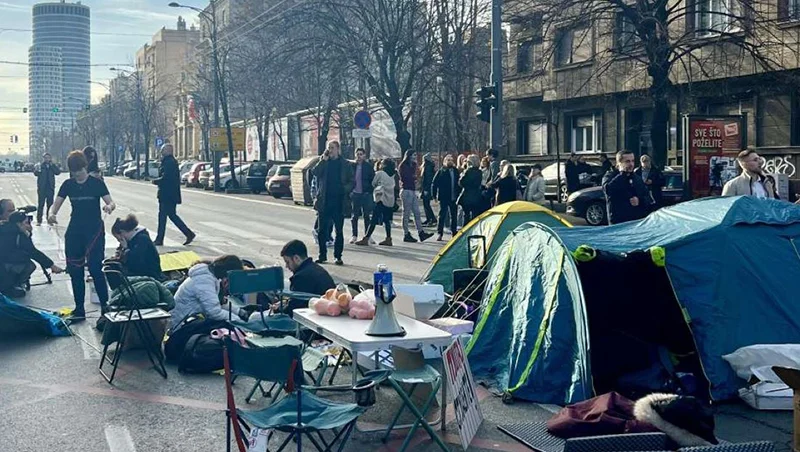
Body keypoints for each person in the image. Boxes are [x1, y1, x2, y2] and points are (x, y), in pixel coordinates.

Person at [48, 151, 116, 321]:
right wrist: (51, 214)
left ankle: (105, 307)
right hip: (75, 231)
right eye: (73, 171)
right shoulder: (68, 185)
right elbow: (55, 205)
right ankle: (79, 309)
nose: (77, 173)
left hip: (94, 230)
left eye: (79, 170)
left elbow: (111, 202)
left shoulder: (96, 183)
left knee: (95, 268)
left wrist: (109, 207)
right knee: (75, 270)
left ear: (85, 166)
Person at [170, 255, 244, 330]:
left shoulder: (211, 277)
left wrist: (240, 312)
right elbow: (214, 313)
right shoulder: (204, 281)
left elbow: (219, 303)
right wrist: (239, 321)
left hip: (190, 319)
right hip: (181, 325)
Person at [0, 211, 63, 298]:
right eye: (26, 223)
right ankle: (13, 286)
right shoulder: (18, 235)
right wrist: (52, 266)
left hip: (4, 263)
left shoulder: (4, 228)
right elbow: (33, 252)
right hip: (5, 265)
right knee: (30, 265)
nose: (28, 225)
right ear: (18, 224)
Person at [312, 140, 353, 265]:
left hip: (339, 202)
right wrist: (322, 160)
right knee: (322, 230)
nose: (330, 150)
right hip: (324, 201)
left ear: (338, 149)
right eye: (329, 148)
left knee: (339, 231)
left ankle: (338, 256)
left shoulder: (345, 164)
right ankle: (322, 255)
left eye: (332, 148)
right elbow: (315, 173)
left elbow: (352, 181)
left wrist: (344, 189)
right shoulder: (324, 163)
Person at [153, 144, 195, 246]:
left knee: (163, 216)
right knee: (171, 215)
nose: (161, 152)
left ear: (168, 151)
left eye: (163, 150)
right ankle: (188, 233)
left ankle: (159, 239)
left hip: (167, 194)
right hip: (169, 194)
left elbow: (167, 178)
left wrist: (156, 181)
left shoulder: (169, 162)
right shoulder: (169, 161)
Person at [279, 240, 336, 314]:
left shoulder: (301, 277)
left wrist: (277, 309)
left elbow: (293, 308)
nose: (286, 266)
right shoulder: (314, 267)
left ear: (296, 258)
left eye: (287, 262)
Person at [109, 214, 165, 288]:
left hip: (149, 273)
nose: (119, 241)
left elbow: (135, 261)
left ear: (122, 232)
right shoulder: (131, 240)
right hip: (140, 271)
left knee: (119, 277)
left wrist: (126, 249)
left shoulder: (142, 239)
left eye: (118, 238)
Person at [602, 150, 652, 225]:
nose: (631, 164)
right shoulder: (609, 176)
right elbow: (608, 190)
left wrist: (639, 200)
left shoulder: (637, 178)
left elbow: (647, 198)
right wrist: (622, 174)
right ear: (619, 163)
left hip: (636, 222)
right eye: (627, 161)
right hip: (618, 223)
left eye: (632, 161)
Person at [356, 158, 396, 246]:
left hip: (380, 198)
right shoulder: (393, 175)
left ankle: (366, 238)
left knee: (374, 219)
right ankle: (388, 238)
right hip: (389, 199)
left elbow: (373, 183)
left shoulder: (380, 173)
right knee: (386, 220)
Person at [398, 149, 433, 243]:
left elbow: (416, 177)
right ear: (408, 156)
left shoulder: (413, 165)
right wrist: (414, 178)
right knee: (406, 213)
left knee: (417, 212)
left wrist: (416, 179)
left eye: (415, 155)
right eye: (413, 155)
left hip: (413, 190)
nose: (414, 157)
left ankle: (421, 232)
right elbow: (407, 178)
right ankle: (406, 233)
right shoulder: (403, 165)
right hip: (406, 190)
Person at [349, 148, 374, 244]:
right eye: (357, 154)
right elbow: (349, 178)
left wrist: (369, 191)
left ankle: (367, 236)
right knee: (354, 215)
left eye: (361, 154)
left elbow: (373, 180)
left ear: (364, 155)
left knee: (366, 215)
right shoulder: (352, 166)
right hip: (355, 193)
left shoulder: (368, 167)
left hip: (365, 193)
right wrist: (350, 191)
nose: (359, 156)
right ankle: (354, 235)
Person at [432, 154, 459, 241]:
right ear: (445, 161)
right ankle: (440, 233)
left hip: (454, 196)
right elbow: (434, 183)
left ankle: (454, 232)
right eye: (448, 160)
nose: (449, 161)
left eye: (451, 160)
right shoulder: (441, 171)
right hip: (444, 196)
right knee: (442, 215)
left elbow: (459, 183)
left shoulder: (455, 171)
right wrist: (434, 195)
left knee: (453, 215)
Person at [34, 152, 60, 225]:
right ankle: (39, 221)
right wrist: (37, 169)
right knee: (41, 204)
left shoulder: (52, 166)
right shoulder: (40, 166)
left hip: (50, 188)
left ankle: (49, 220)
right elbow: (36, 173)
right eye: (45, 158)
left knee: (50, 205)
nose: (47, 159)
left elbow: (58, 172)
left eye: (48, 158)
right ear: (43, 158)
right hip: (42, 188)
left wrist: (53, 166)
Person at [458, 154, 485, 224]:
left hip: (467, 195)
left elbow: (461, 182)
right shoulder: (479, 172)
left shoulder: (468, 171)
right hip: (476, 195)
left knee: (466, 215)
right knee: (475, 215)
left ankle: (465, 231)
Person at [420, 153, 436, 226]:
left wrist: (426, 189)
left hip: (427, 188)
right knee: (426, 204)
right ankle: (430, 218)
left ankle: (431, 219)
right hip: (427, 187)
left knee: (426, 204)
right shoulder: (430, 166)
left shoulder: (427, 167)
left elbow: (427, 179)